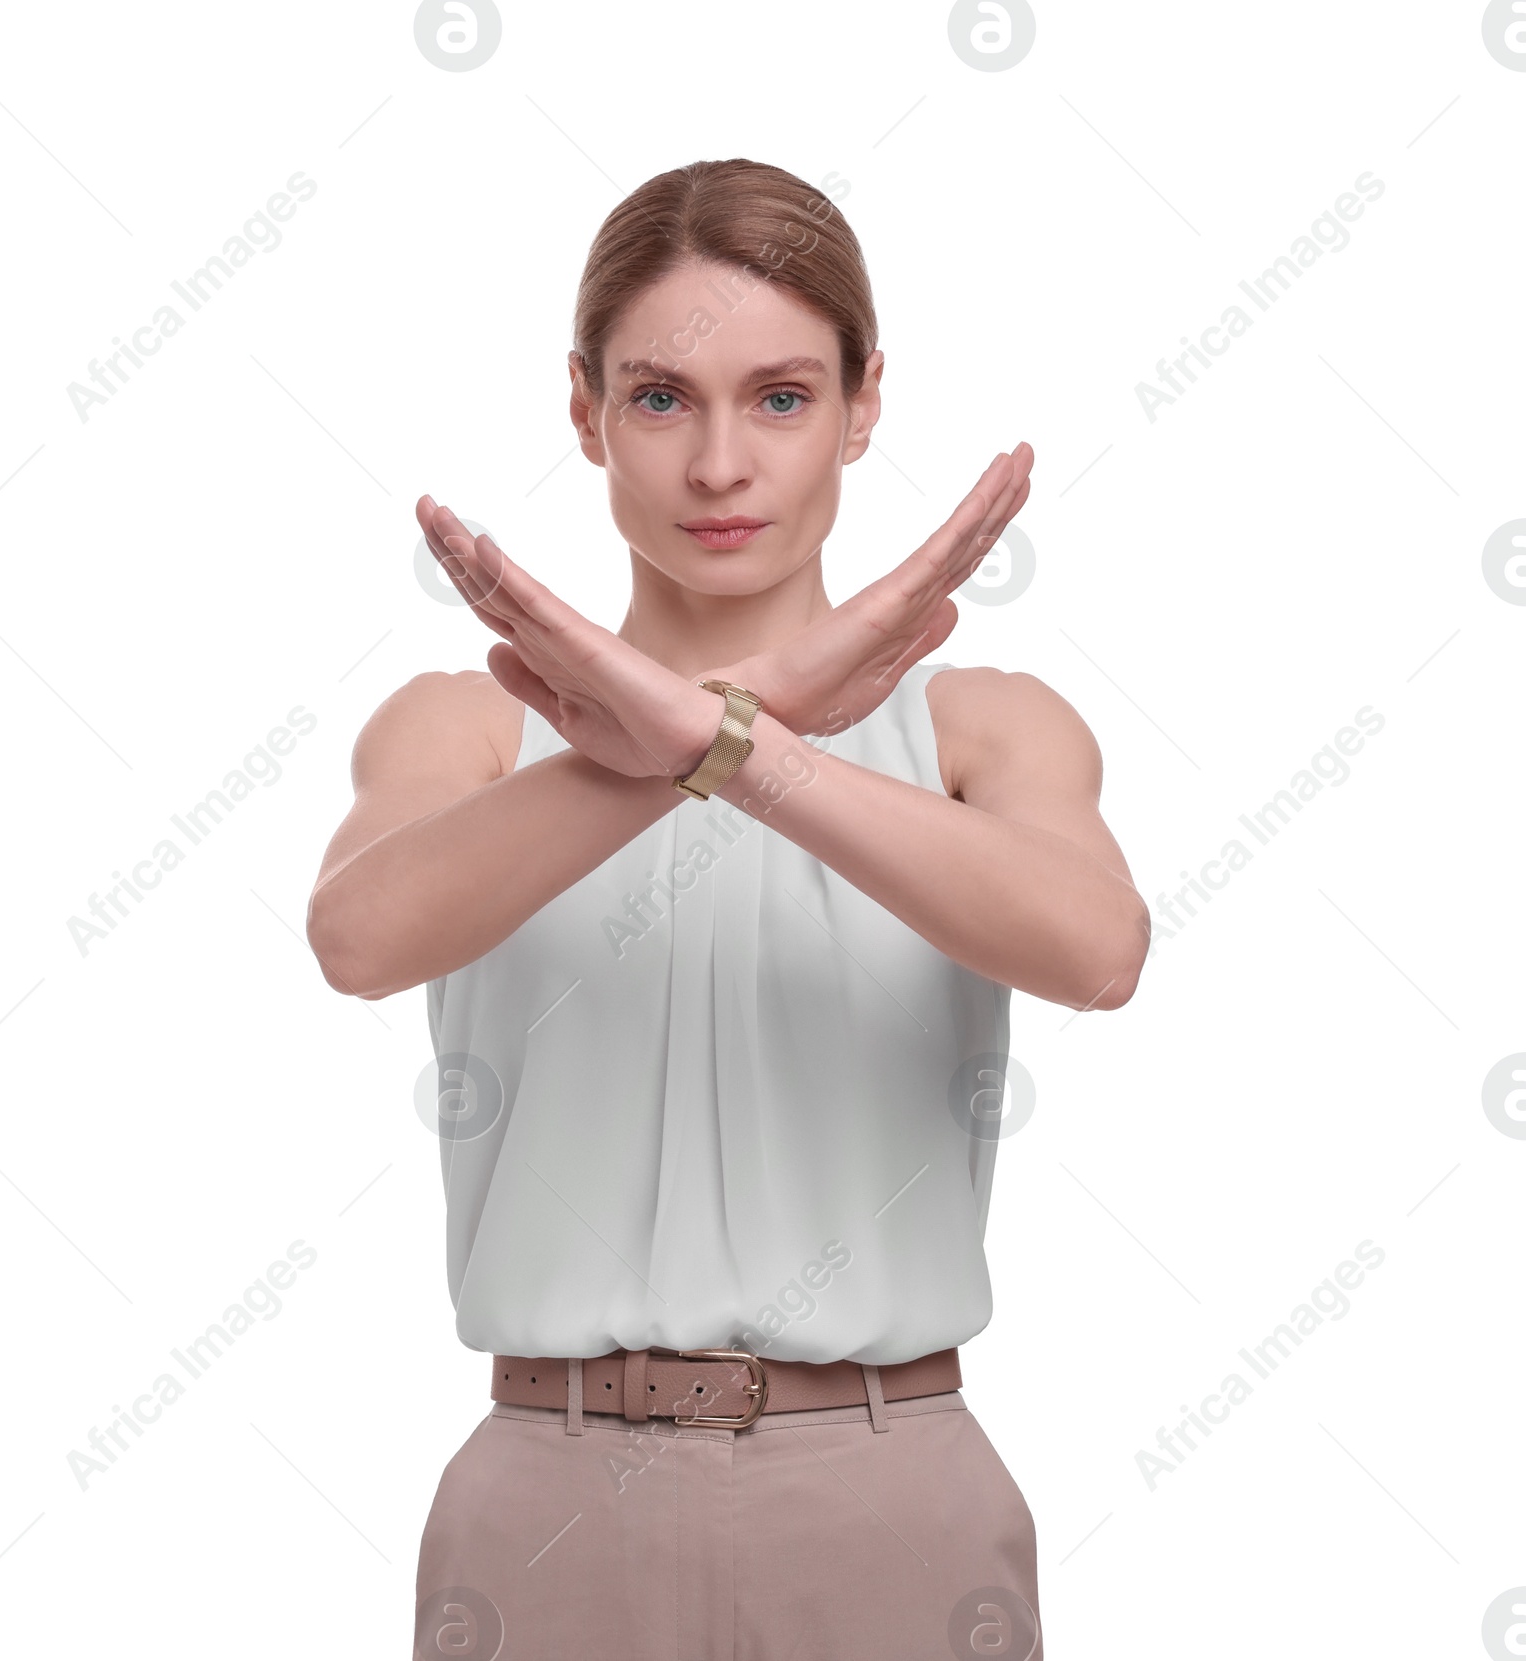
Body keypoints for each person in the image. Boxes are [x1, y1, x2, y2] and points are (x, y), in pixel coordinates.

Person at [307, 157, 1149, 1661]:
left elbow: (1100, 949)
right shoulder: (472, 728)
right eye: (658, 398)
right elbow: (358, 936)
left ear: (863, 403)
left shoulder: (985, 728)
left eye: (779, 397)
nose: (717, 468)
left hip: (891, 1495)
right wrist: (702, 740)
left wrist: (728, 748)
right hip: (545, 1501)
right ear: (584, 412)